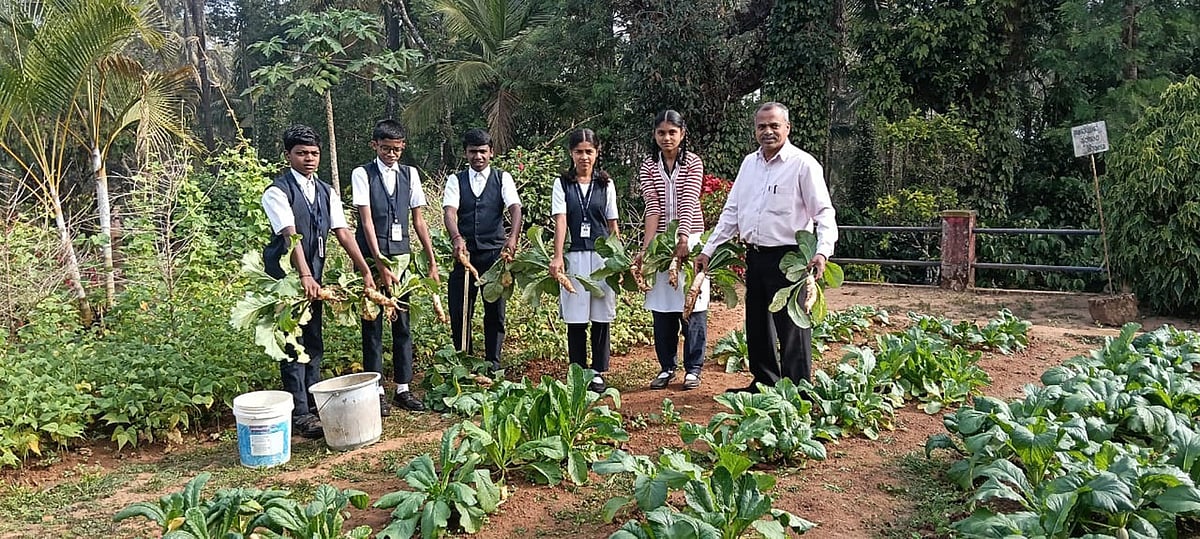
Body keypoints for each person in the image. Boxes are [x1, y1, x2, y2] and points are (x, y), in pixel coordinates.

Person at [695, 102, 838, 392]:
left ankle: (799, 391)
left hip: (791, 258)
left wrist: (822, 251)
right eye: (762, 126)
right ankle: (764, 383)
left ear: (787, 128)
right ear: (755, 130)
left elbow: (824, 213)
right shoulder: (749, 164)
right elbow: (732, 212)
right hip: (756, 256)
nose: (768, 131)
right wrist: (708, 249)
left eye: (774, 125)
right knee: (757, 324)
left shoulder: (803, 164)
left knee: (792, 326)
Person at [261, 124, 376, 439]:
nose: (309, 159)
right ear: (288, 156)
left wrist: (365, 269)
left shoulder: (326, 191)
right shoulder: (277, 191)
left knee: (313, 340)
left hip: (314, 275)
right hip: (287, 278)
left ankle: (315, 403)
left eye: (313, 153)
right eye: (301, 153)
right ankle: (300, 412)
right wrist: (304, 275)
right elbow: (291, 235)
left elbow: (343, 233)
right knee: (292, 343)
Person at [351, 119, 441, 415]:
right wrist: (378, 263)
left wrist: (431, 259)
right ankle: (376, 389)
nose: (391, 154)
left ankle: (403, 387)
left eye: (397, 149)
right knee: (372, 325)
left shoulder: (410, 174)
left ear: (403, 148)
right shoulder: (362, 174)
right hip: (371, 258)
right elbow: (365, 222)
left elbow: (419, 220)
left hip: (401, 258)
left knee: (402, 323)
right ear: (374, 145)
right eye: (386, 148)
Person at [635, 110, 708, 390]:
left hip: (692, 238)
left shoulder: (693, 162)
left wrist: (684, 238)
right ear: (655, 135)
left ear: (682, 133)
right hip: (662, 242)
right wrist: (647, 249)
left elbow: (689, 201)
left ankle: (694, 368)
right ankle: (667, 367)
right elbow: (652, 207)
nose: (667, 138)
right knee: (662, 306)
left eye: (672, 132)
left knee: (693, 302)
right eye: (661, 133)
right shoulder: (648, 166)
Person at [443, 129, 523, 372]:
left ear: (491, 153)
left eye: (482, 151)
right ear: (465, 153)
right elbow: (449, 212)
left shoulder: (502, 178)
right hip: (465, 255)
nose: (478, 156)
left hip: (494, 256)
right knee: (460, 310)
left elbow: (515, 208)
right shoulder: (455, 180)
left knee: (495, 312)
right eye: (472, 152)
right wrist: (456, 237)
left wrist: (512, 238)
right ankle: (463, 363)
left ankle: (493, 365)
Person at [550, 128, 619, 393]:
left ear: (597, 152)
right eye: (579, 151)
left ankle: (598, 371)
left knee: (601, 314)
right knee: (576, 316)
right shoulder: (562, 184)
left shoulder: (605, 184)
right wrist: (558, 256)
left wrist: (618, 257)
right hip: (574, 255)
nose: (584, 157)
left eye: (589, 151)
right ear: (571, 153)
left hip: (602, 257)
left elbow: (612, 224)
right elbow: (561, 220)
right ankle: (577, 370)